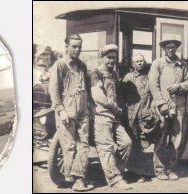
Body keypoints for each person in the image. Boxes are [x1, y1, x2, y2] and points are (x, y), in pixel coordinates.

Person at [48, 33, 94, 191]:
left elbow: (86, 88)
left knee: (84, 144)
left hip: (82, 111)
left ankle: (79, 178)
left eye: (79, 46)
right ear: (66, 47)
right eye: (74, 46)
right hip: (66, 111)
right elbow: (53, 91)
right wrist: (61, 111)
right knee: (69, 146)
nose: (77, 49)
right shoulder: (60, 65)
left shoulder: (82, 65)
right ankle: (73, 179)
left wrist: (88, 106)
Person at [90, 44, 132, 189]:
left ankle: (116, 173)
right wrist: (115, 107)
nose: (111, 61)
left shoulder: (114, 74)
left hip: (114, 117)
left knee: (126, 143)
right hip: (101, 115)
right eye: (109, 58)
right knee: (106, 147)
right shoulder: (96, 73)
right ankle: (114, 180)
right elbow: (98, 97)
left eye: (114, 58)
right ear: (102, 58)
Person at [148, 38, 188, 180]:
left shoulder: (182, 64)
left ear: (176, 48)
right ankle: (160, 170)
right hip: (163, 107)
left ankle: (172, 168)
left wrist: (179, 86)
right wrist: (161, 104)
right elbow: (153, 85)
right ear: (164, 49)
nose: (171, 50)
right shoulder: (158, 63)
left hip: (179, 107)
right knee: (161, 138)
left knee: (176, 140)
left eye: (173, 47)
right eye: (168, 48)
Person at [119, 53, 156, 182]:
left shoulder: (148, 77)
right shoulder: (128, 77)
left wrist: (152, 107)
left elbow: (152, 94)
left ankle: (141, 172)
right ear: (133, 64)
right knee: (132, 142)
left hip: (144, 114)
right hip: (131, 115)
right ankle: (130, 171)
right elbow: (121, 96)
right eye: (137, 62)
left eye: (142, 61)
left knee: (143, 143)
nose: (140, 63)